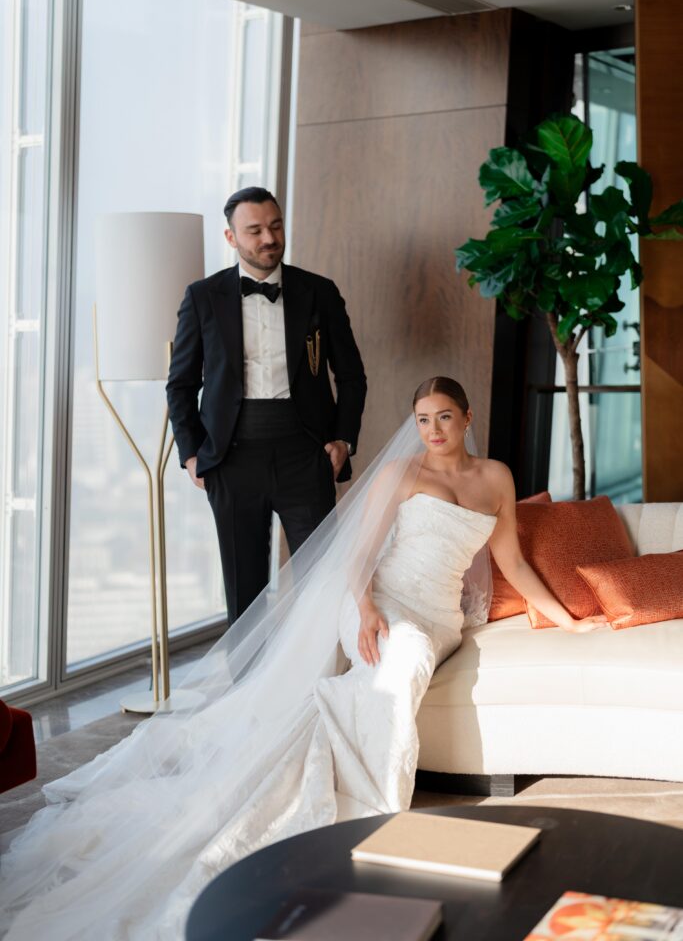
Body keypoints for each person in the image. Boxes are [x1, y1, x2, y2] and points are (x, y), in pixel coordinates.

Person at [0, 377, 606, 940]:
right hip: (377, 600)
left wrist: (572, 621)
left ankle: (345, 758)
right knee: (404, 661)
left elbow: (515, 565)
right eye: (422, 419)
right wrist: (367, 612)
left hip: (439, 615)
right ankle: (380, 810)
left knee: (416, 651)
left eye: (445, 417)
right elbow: (358, 553)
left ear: (467, 417)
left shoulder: (496, 478)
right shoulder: (401, 472)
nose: (434, 430)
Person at [166, 186, 367, 623]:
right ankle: (250, 691)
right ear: (231, 237)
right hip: (231, 459)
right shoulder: (202, 298)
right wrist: (191, 455)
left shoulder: (320, 292)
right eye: (254, 230)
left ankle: (318, 688)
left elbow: (351, 376)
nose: (268, 238)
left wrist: (343, 441)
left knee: (322, 582)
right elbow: (180, 384)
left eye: (275, 226)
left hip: (305, 454)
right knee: (245, 595)